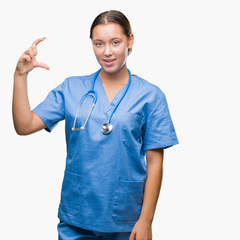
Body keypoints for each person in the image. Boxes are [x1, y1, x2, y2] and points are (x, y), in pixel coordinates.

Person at [12, 10, 178, 240]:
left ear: (130, 41)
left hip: (126, 219)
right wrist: (20, 75)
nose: (107, 52)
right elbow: (24, 125)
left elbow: (155, 162)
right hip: (77, 216)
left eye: (115, 42)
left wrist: (146, 220)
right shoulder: (71, 88)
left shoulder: (151, 96)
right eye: (99, 44)